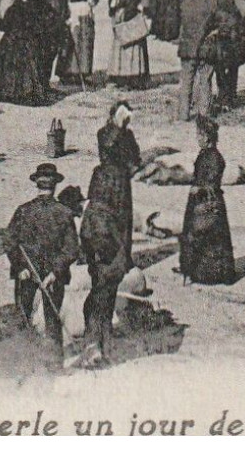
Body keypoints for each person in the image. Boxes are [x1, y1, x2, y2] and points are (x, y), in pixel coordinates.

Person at [80, 108, 138, 366]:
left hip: (109, 236)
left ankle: (100, 336)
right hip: (107, 239)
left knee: (106, 286)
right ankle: (94, 342)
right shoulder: (110, 175)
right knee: (103, 288)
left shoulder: (107, 175)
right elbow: (104, 215)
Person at [7, 164, 81, 356]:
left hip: (26, 274)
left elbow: (9, 242)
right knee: (53, 320)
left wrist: (20, 266)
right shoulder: (64, 213)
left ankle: (25, 359)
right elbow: (72, 249)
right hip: (53, 277)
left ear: (37, 185)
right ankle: (54, 362)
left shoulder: (23, 211)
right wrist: (55, 273)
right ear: (55, 185)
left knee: (24, 316)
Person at [179, 117, 237, 285]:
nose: (197, 138)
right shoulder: (205, 154)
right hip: (199, 201)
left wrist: (201, 188)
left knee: (205, 236)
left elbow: (213, 180)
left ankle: (209, 274)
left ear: (206, 136)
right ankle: (194, 270)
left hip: (208, 203)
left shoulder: (214, 158)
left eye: (199, 134)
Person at [0, 0, 57, 106]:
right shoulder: (38, 4)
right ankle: (29, 92)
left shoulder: (14, 8)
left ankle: (12, 92)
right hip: (31, 43)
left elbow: (4, 26)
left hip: (16, 44)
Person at [109, 0, 150, 89]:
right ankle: (121, 78)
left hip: (128, 25)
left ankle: (132, 79)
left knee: (130, 52)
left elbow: (132, 6)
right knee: (121, 53)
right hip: (120, 24)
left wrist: (122, 12)